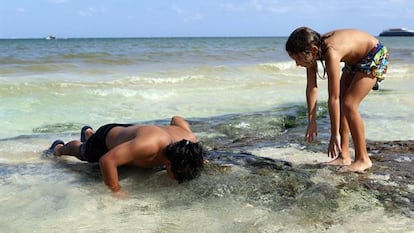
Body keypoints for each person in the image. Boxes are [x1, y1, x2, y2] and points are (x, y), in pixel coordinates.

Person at [285, 27, 389, 172]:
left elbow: (333, 97)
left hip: (374, 54)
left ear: (313, 50)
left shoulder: (331, 52)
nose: (297, 64)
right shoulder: (312, 52)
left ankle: (363, 159)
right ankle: (344, 156)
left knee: (348, 104)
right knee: (342, 101)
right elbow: (311, 87)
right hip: (354, 61)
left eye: (297, 59)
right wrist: (312, 120)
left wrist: (334, 135)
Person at [45, 116, 205, 193]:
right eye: (179, 175)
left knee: (129, 153)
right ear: (169, 163)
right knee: (83, 153)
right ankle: (58, 148)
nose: (180, 180)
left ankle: (88, 133)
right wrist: (116, 190)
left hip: (131, 134)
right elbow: (107, 161)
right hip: (106, 140)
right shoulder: (149, 146)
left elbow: (177, 119)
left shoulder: (189, 140)